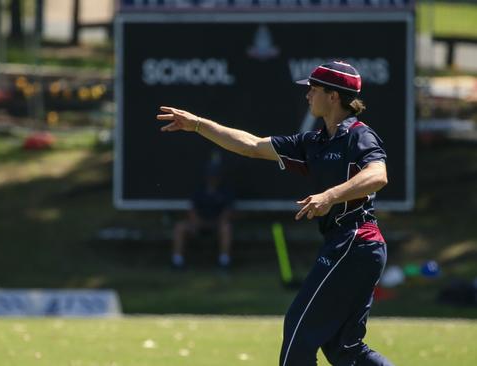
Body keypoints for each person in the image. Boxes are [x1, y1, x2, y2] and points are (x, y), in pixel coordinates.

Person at [157, 61, 393, 366]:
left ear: (333, 96)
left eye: (313, 89)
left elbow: (378, 175)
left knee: (298, 329)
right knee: (343, 349)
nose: (308, 95)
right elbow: (252, 146)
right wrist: (199, 125)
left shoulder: (359, 135)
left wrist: (329, 196)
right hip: (351, 245)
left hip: (356, 241)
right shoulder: (315, 141)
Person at [171, 162, 234, 270]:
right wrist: (197, 222)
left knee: (226, 228)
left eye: (215, 176)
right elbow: (192, 210)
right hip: (198, 224)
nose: (213, 178)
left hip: (217, 225)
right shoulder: (199, 190)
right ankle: (177, 261)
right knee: (180, 227)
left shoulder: (225, 192)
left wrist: (217, 223)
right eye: (211, 175)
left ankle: (224, 262)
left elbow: (227, 212)